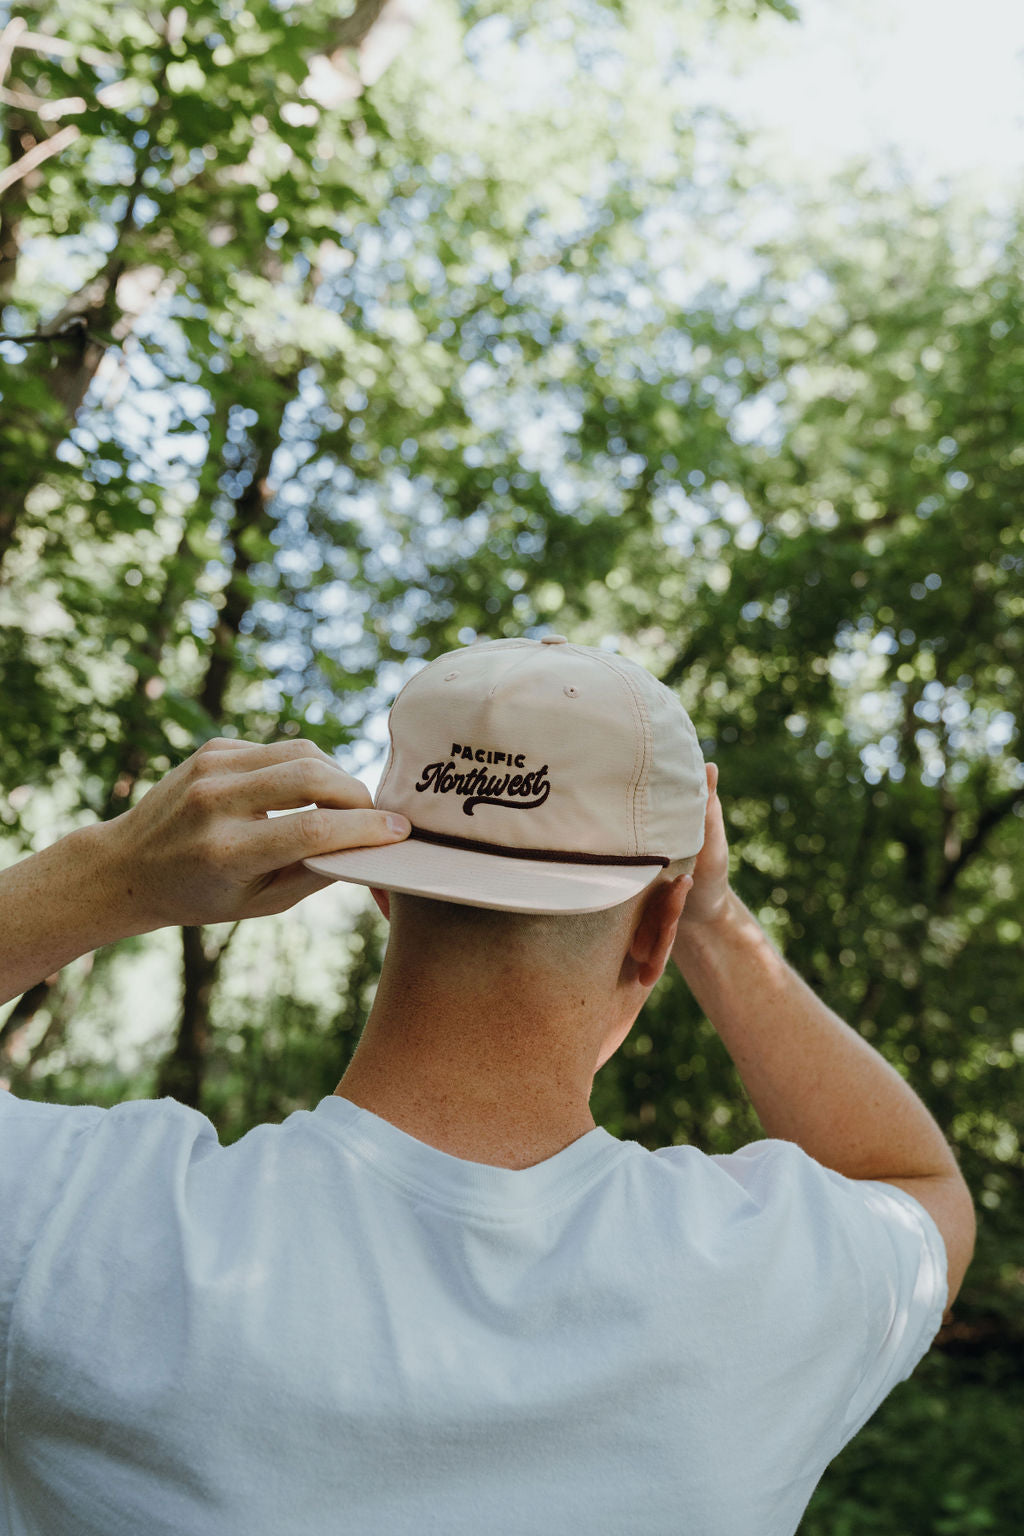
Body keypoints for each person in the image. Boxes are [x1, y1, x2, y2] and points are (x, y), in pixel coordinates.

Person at [0, 636, 974, 1536]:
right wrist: (715, 921)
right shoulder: (766, 1277)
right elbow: (923, 1191)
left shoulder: (71, 1223)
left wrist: (107, 870)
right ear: (656, 923)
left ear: (379, 883)